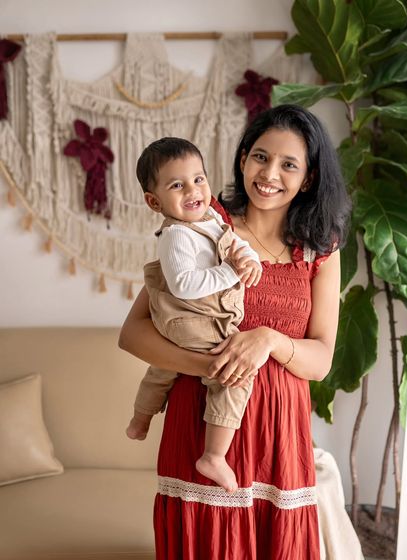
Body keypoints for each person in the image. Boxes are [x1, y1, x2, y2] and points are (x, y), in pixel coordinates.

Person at [119, 104, 351, 559]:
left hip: (280, 438)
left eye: (289, 164)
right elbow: (133, 334)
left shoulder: (320, 248)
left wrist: (269, 339)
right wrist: (211, 366)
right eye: (260, 156)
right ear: (243, 158)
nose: (269, 174)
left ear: (307, 178)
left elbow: (321, 360)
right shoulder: (202, 226)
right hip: (201, 419)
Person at [126, 137, 262, 493]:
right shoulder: (176, 236)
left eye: (198, 179)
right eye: (177, 185)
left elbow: (233, 243)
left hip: (190, 321)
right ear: (155, 202)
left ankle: (140, 420)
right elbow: (184, 284)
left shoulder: (212, 218)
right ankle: (214, 456)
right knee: (233, 374)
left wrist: (247, 258)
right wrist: (232, 272)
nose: (192, 190)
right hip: (192, 317)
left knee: (163, 368)